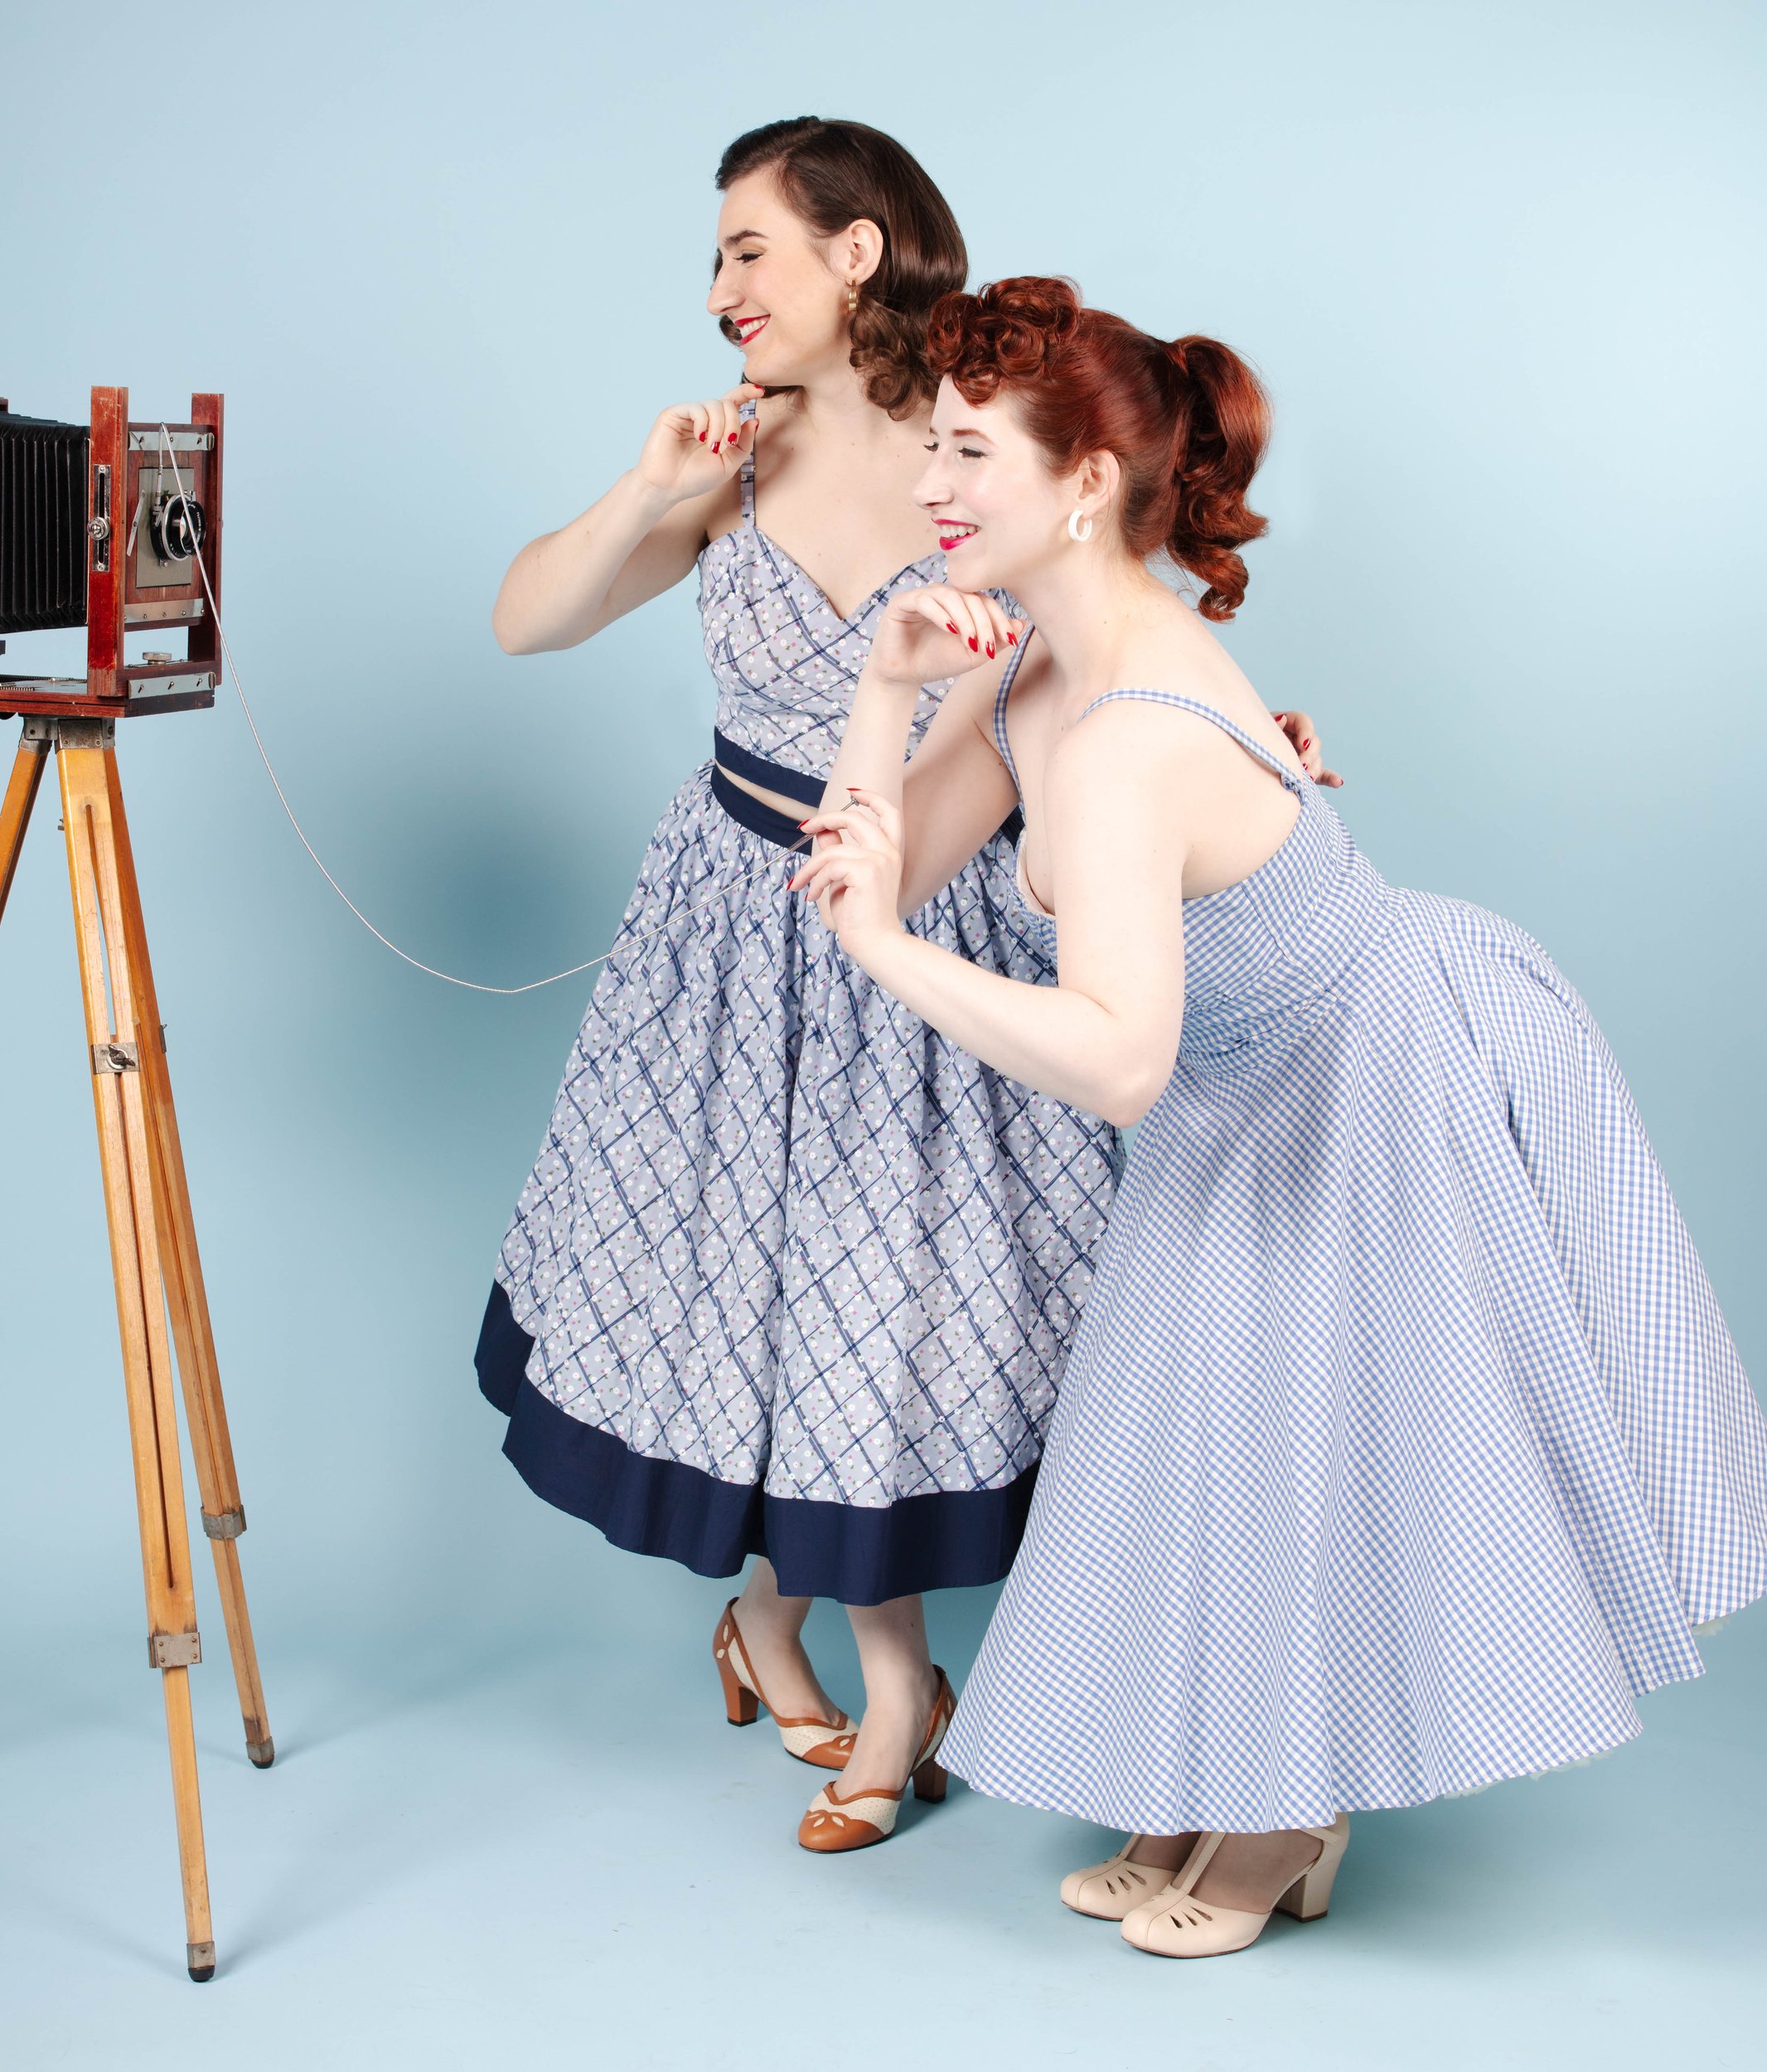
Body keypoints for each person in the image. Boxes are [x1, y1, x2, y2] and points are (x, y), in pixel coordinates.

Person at [792, 274, 1767, 1942]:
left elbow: (1106, 1056)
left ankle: (1279, 1814)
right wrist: (884, 688)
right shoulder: (1034, 665)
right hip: (1244, 1092)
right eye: (931, 449)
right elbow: (890, 843)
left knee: (1313, 1457)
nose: (928, 485)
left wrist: (884, 949)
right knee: (1201, 1451)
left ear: (1082, 482)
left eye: (964, 452)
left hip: (1367, 1071)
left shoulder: (1114, 742)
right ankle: (1219, 1784)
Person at [477, 123, 1332, 1849]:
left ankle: (876, 1671)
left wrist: (1240, 758)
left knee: (896, 1293)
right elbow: (524, 619)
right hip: (732, 922)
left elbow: (1112, 609)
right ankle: (808, 1637)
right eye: (715, 257)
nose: (717, 289)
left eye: (745, 250)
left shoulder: (980, 426)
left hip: (935, 912)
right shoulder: (735, 446)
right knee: (757, 1289)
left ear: (855, 253)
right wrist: (650, 488)